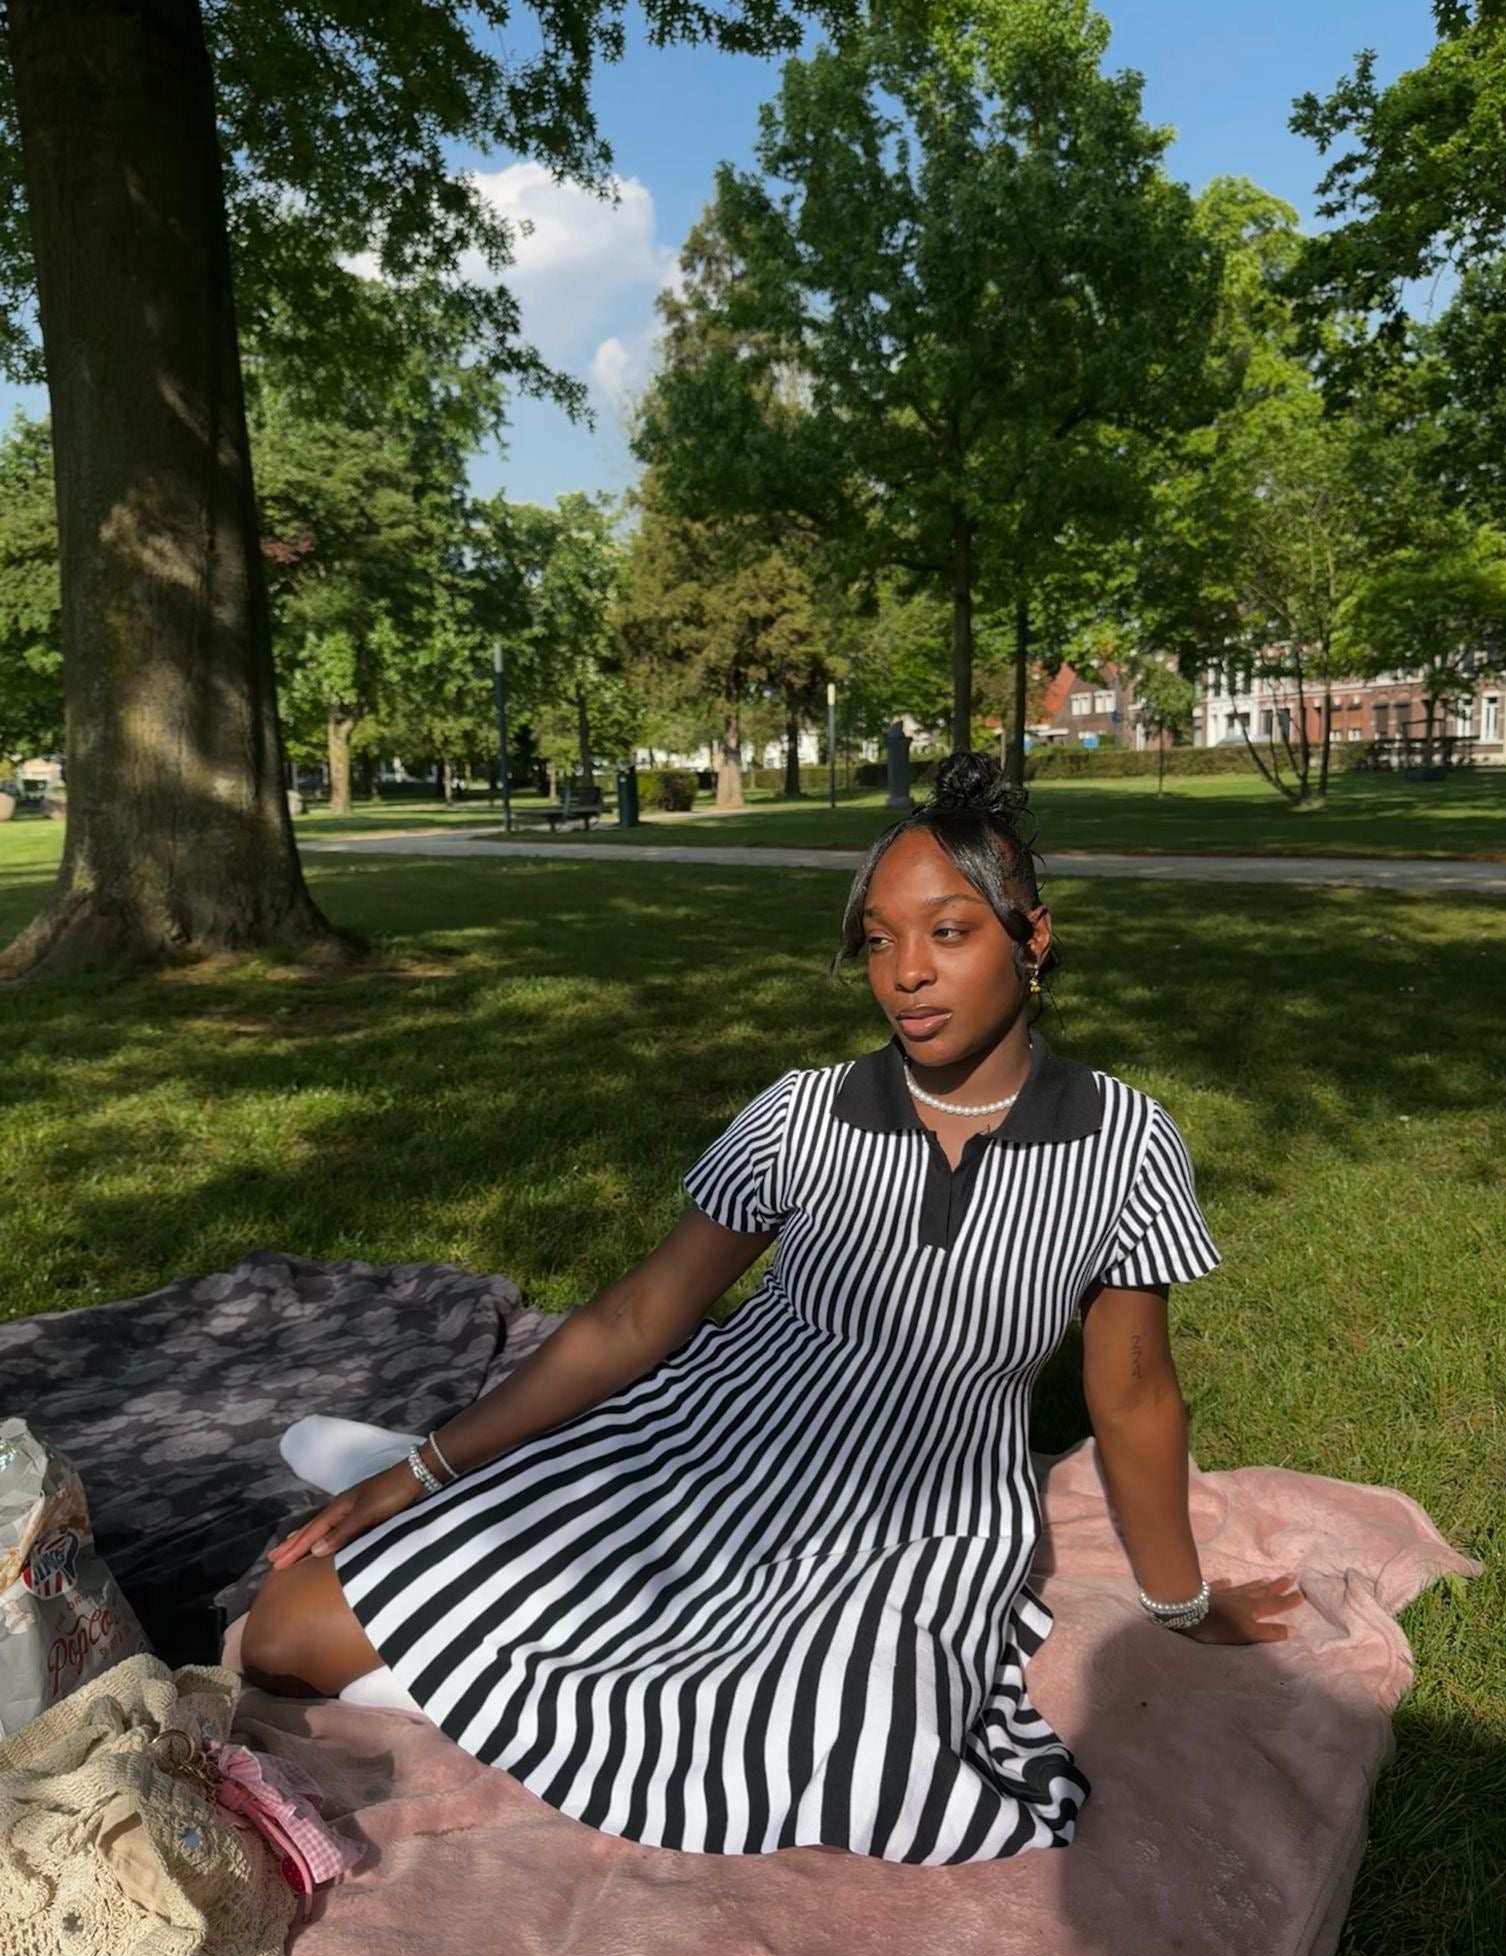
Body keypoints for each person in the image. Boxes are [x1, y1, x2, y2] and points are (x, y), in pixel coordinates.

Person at [241, 751, 1302, 1865]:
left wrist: (1182, 1604)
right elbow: (637, 1317)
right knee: (285, 1627)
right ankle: (461, 1520)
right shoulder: (802, 1111)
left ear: (1031, 941)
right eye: (880, 940)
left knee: (871, 1761)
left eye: (949, 931)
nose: (907, 973)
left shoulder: (1126, 1139)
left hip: (914, 1506)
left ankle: (495, 1669)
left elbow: (1131, 1395)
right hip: (712, 1436)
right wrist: (424, 1475)